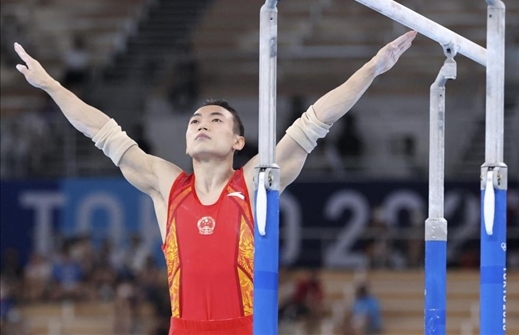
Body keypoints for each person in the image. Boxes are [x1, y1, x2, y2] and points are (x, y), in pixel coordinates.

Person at [13, 30, 415, 335]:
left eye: (216, 120)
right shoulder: (167, 185)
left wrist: (372, 68)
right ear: (186, 140)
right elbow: (103, 131)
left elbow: (314, 122)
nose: (202, 124)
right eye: (195, 121)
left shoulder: (255, 182)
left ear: (238, 141)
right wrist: (52, 86)